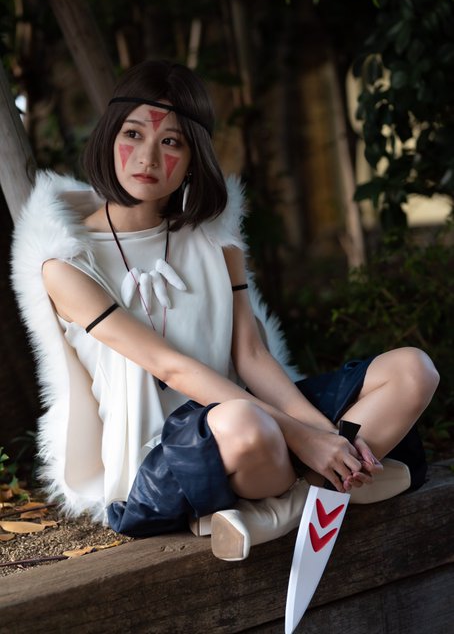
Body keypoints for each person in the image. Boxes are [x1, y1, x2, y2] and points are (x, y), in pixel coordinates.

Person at [11, 60, 439, 561]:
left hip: (258, 428)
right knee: (245, 423)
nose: (147, 157)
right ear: (108, 137)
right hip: (166, 458)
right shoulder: (66, 262)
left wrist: (323, 437)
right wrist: (302, 438)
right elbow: (171, 366)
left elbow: (251, 355)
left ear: (194, 157)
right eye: (133, 134)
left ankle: (286, 505)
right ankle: (323, 490)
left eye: (171, 141)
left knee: (413, 370)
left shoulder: (215, 237)